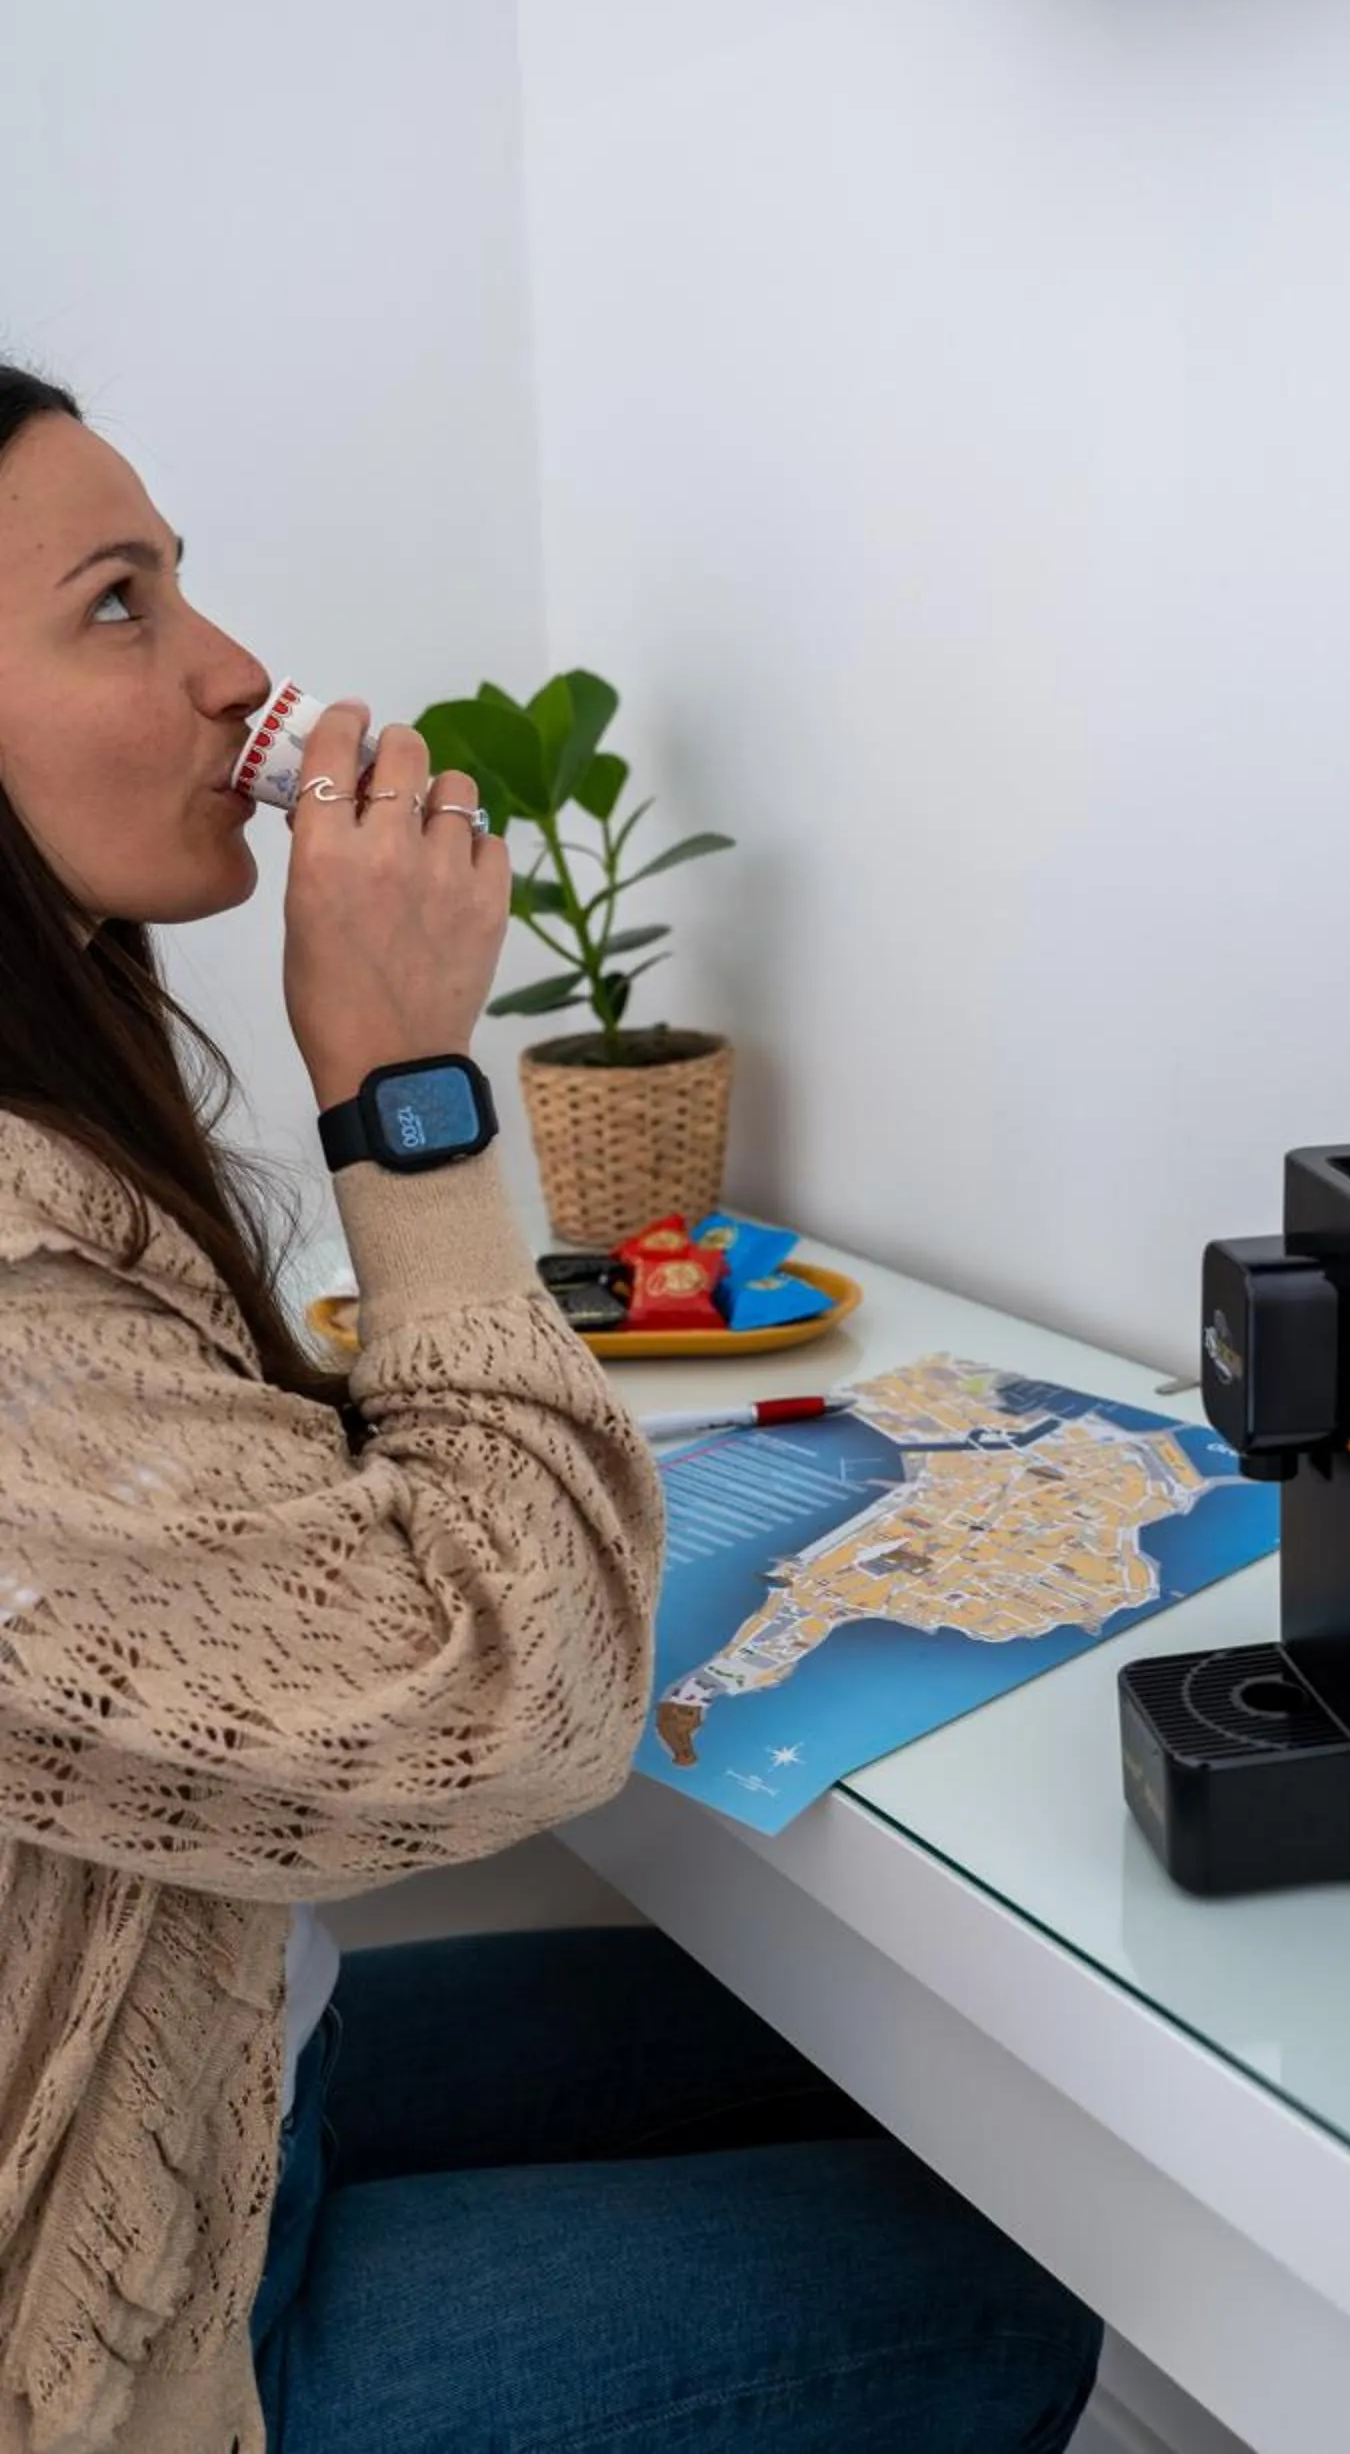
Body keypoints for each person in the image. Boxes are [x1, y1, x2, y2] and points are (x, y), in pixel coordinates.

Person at [0, 366, 1102, 2454]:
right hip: (115, 2342)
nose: (235, 669)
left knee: (854, 2061)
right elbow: (513, 1710)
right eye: (117, 603)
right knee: (987, 2295)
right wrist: (404, 1100)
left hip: (235, 2054)